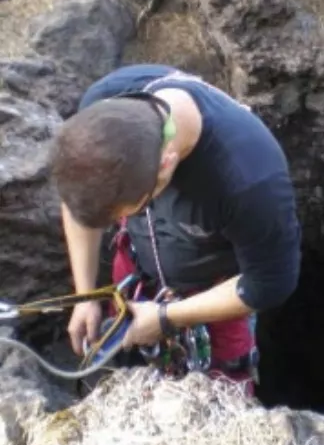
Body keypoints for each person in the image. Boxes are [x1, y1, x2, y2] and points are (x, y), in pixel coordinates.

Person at [48, 64, 302, 395]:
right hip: (137, 268)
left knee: (220, 401)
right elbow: (79, 204)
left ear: (166, 164)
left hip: (214, 295)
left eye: (131, 209)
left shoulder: (249, 180)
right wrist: (85, 295)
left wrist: (167, 318)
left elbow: (270, 283)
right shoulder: (104, 109)